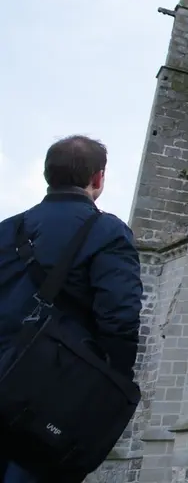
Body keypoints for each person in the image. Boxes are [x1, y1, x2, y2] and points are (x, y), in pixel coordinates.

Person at [0, 135, 143, 483]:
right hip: (50, 390)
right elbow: (119, 318)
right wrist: (113, 382)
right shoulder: (108, 231)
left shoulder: (7, 230)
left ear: (48, 174)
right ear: (98, 178)